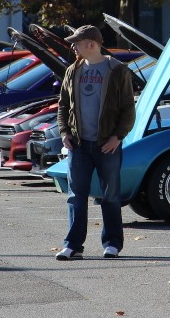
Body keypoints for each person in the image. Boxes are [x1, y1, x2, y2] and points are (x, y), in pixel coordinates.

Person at [56, 25, 135, 260]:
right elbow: (62, 104)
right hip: (78, 145)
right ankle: (73, 246)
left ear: (91, 44)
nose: (74, 47)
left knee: (110, 195)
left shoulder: (117, 70)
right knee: (75, 195)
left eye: (77, 43)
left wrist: (117, 137)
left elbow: (128, 109)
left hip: (107, 145)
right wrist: (64, 132)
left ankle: (112, 244)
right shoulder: (73, 70)